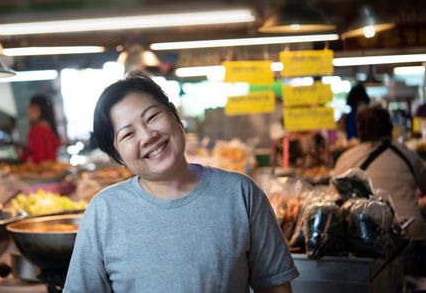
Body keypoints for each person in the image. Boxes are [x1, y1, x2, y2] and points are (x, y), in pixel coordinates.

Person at [64, 72, 299, 293]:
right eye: (128, 134)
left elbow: (275, 287)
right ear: (117, 156)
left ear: (175, 117)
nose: (147, 136)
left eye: (153, 117)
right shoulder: (104, 211)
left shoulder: (240, 193)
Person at [331, 106, 426, 274]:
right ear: (390, 127)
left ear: (360, 130)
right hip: (411, 235)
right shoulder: (407, 154)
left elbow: (333, 199)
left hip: (367, 240)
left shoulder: (347, 158)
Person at [24, 94, 60, 163]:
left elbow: (39, 158)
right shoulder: (49, 128)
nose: (28, 111)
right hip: (52, 169)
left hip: (41, 171)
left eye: (30, 108)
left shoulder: (37, 129)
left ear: (38, 109)